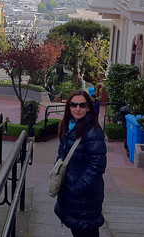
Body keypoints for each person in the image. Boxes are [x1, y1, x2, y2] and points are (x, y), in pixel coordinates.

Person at [54, 90, 107, 237]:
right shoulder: (69, 126)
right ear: (69, 107)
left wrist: (77, 188)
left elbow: (97, 167)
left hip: (84, 196)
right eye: (74, 105)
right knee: (77, 230)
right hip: (71, 192)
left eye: (82, 105)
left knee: (86, 230)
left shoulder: (93, 132)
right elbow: (62, 154)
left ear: (89, 107)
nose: (78, 109)